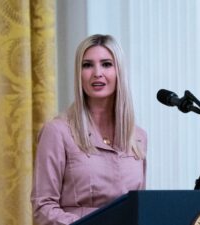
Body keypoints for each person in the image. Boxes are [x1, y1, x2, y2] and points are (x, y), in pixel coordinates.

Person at [31, 34, 147, 225]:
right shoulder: (57, 132)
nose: (97, 73)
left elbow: (139, 206)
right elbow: (43, 207)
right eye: (87, 65)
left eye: (106, 64)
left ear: (120, 72)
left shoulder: (138, 137)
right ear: (79, 74)